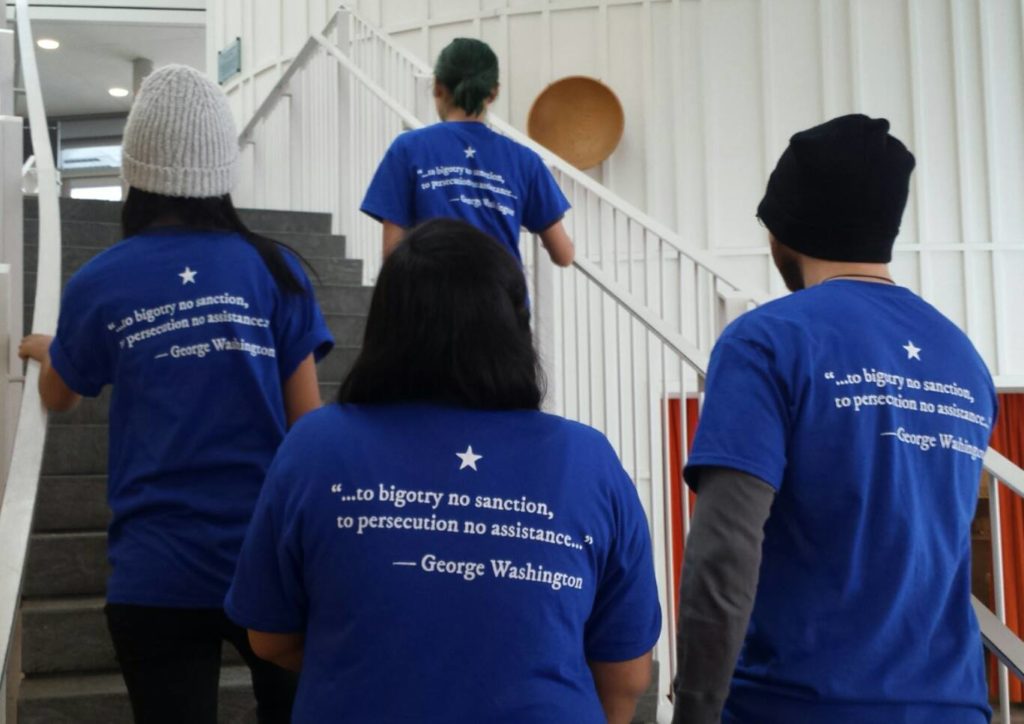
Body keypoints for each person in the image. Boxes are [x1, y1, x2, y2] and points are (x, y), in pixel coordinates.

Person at [225, 218, 659, 724]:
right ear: (516, 328)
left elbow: (270, 637)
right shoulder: (588, 460)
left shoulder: (315, 445)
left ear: (384, 326)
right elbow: (626, 677)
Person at [18, 64, 334, 724]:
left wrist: (52, 349)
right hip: (269, 560)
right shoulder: (275, 269)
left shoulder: (99, 282)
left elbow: (58, 397)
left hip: (154, 571)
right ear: (222, 170)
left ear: (134, 171)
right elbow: (311, 430)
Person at [671, 115, 995, 724]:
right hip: (953, 707)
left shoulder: (766, 341)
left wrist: (693, 711)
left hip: (796, 706)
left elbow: (724, 551)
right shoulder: (962, 359)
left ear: (782, 230)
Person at [360, 37, 575, 267]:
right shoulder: (525, 161)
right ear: (493, 93)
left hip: (429, 294)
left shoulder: (407, 148)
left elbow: (392, 254)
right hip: (500, 296)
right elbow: (563, 255)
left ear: (437, 87)